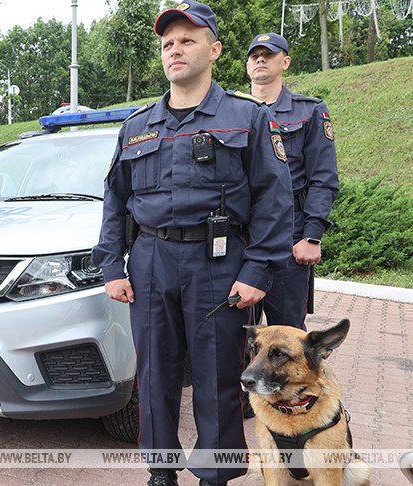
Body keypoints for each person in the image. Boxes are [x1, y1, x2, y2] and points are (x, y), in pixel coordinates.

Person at [91, 2, 294, 485]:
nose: (175, 50)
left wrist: (257, 271)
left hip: (219, 264)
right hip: (150, 261)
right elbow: (115, 199)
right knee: (154, 377)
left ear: (215, 49)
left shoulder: (247, 117)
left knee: (219, 377)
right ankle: (161, 472)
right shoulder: (136, 126)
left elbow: (274, 199)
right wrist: (111, 266)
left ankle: (214, 475)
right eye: (167, 43)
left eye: (188, 40)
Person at [246, 33, 339, 330]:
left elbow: (323, 179)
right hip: (240, 235)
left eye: (268, 54)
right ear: (247, 65)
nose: (260, 59)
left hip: (289, 236)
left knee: (287, 335)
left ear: (285, 62)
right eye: (254, 55)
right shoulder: (231, 111)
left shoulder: (309, 111)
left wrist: (312, 236)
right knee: (231, 332)